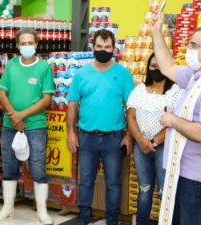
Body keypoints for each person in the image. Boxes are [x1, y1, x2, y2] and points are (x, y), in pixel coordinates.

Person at [150, 14, 201, 225]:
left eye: (194, 45)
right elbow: (167, 67)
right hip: (182, 172)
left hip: (196, 179)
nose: (189, 50)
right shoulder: (198, 76)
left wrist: (173, 120)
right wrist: (156, 32)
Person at [66, 29, 135, 225]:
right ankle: (84, 217)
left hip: (114, 138)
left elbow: (131, 107)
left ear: (114, 49)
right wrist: (71, 132)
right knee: (86, 180)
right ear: (92, 47)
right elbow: (72, 104)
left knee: (113, 183)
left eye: (107, 47)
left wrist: (129, 136)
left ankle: (112, 220)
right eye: (99, 47)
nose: (103, 50)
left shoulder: (123, 74)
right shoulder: (82, 74)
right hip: (86, 136)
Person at [0, 28, 54, 225]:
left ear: (36, 45)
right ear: (17, 45)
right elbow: (2, 93)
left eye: (30, 43)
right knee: (9, 164)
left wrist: (22, 115)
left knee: (37, 166)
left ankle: (42, 211)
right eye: (23, 43)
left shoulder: (44, 67)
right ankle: (7, 207)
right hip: (11, 125)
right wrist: (13, 115)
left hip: (35, 125)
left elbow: (46, 99)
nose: (27, 46)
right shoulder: (11, 65)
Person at [126, 53, 183, 225]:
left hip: (163, 148)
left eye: (160, 66)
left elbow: (176, 121)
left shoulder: (176, 91)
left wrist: (154, 141)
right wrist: (141, 141)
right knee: (144, 189)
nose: (156, 69)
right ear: (148, 68)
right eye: (152, 66)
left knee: (164, 191)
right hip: (141, 147)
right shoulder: (139, 90)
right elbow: (131, 117)